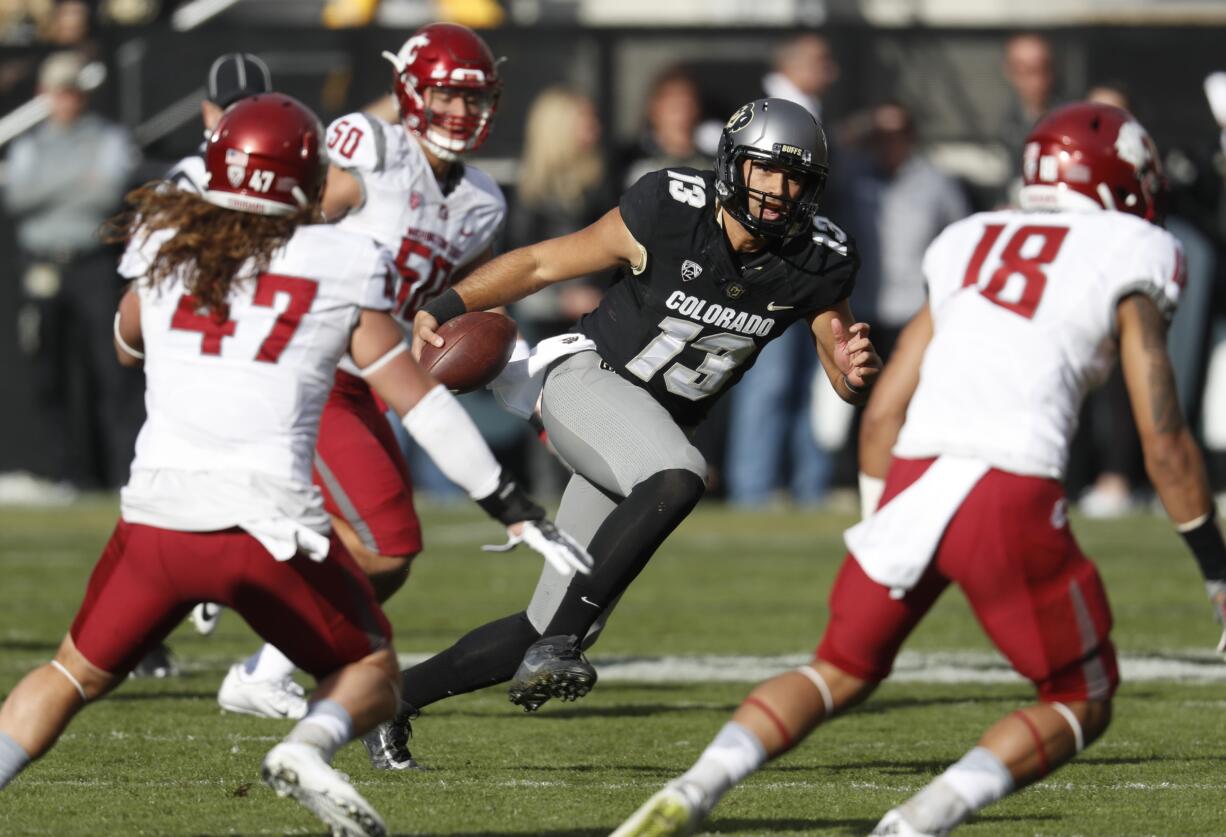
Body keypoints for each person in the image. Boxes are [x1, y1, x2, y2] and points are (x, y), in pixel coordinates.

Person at [613, 102, 1226, 837]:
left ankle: (696, 784)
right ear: (1123, 179)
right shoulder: (1136, 246)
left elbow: (882, 411)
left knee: (836, 669)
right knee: (1079, 697)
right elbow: (1162, 436)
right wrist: (1217, 573)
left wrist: (883, 523)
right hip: (1012, 484)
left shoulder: (970, 237)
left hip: (916, 476)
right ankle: (916, 822)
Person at [0, 92, 588, 837]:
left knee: (68, 674)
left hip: (156, 524)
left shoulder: (169, 239)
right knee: (372, 677)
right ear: (305, 176)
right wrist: (509, 502)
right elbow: (419, 401)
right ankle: (305, 749)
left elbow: (128, 340)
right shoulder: (339, 257)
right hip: (266, 531)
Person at [359, 97, 880, 772]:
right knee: (680, 475)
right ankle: (559, 650)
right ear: (730, 165)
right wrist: (450, 303)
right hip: (586, 380)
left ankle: (390, 702)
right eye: (764, 171)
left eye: (795, 179)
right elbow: (545, 263)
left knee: (548, 621)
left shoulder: (820, 259)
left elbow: (840, 366)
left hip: (645, 433)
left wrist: (853, 374)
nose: (778, 192)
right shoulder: (670, 208)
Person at [211, 22, 513, 726]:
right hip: (313, 363)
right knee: (382, 542)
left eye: (475, 100)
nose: (462, 114)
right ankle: (233, 571)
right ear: (410, 93)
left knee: (391, 559)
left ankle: (256, 637)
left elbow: (411, 296)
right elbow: (291, 229)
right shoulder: (369, 149)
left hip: (369, 372)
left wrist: (425, 319)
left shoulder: (484, 204)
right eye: (446, 95)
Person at [4, 50, 138, 491]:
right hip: (43, 266)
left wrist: (52, 185)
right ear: (46, 95)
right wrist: (77, 180)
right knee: (47, 370)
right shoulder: (31, 146)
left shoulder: (107, 138)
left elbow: (107, 193)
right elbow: (18, 196)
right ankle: (64, 474)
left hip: (92, 265)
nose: (68, 101)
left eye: (74, 92)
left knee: (111, 370)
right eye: (61, 92)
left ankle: (123, 472)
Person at [724, 33, 843, 508]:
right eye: (820, 59)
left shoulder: (809, 108)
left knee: (809, 380)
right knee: (768, 381)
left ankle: (806, 486)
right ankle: (753, 488)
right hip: (771, 262)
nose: (830, 70)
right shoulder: (767, 110)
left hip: (807, 262)